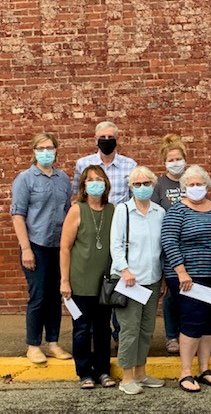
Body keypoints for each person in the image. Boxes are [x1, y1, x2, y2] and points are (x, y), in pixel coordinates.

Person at [161, 165, 211, 393]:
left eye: (199, 184)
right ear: (184, 188)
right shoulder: (177, 211)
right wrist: (181, 272)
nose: (196, 188)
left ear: (207, 185)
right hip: (188, 279)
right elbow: (169, 242)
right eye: (191, 184)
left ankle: (204, 369)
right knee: (193, 321)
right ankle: (186, 372)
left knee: (208, 322)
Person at [73, 120, 138, 345]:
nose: (107, 141)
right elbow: (79, 193)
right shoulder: (84, 164)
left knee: (117, 281)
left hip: (119, 229)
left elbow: (134, 199)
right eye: (103, 137)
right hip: (93, 226)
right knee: (95, 282)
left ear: (117, 139)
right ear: (96, 139)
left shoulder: (130, 165)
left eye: (111, 137)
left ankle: (119, 333)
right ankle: (93, 333)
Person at [11, 133, 73, 364]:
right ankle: (33, 345)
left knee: (55, 296)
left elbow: (67, 212)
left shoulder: (63, 179)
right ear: (34, 151)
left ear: (56, 150)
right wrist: (26, 249)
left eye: (50, 147)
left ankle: (54, 343)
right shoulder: (25, 179)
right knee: (37, 297)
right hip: (35, 245)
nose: (46, 151)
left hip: (58, 246)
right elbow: (18, 215)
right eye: (41, 148)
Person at [110, 166, 165, 395]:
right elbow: (116, 243)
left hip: (152, 279)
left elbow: (161, 248)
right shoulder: (123, 210)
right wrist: (124, 270)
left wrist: (161, 277)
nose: (142, 188)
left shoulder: (159, 212)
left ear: (153, 185)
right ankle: (127, 377)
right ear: (130, 187)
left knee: (146, 329)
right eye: (137, 184)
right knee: (129, 330)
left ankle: (141, 372)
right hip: (129, 280)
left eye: (146, 184)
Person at [60, 166, 116, 389]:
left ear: (106, 184)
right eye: (90, 180)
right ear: (83, 185)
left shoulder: (113, 210)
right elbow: (65, 247)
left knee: (103, 329)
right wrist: (64, 281)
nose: (95, 183)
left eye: (99, 179)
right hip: (80, 281)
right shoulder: (77, 210)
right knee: (82, 328)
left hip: (104, 283)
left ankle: (103, 370)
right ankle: (84, 372)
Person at [151, 133, 187, 355]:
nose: (175, 163)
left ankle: (188, 332)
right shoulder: (158, 184)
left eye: (178, 158)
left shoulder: (191, 180)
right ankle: (172, 335)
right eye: (171, 159)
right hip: (168, 244)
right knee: (172, 292)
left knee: (190, 290)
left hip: (191, 245)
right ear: (164, 162)